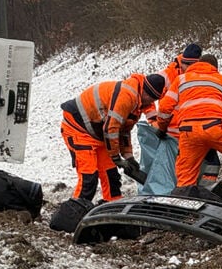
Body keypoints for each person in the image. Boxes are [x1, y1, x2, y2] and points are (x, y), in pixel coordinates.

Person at [155, 53, 222, 203]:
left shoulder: (181, 79)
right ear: (215, 68)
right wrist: (221, 134)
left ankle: (185, 208)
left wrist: (162, 128)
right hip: (216, 128)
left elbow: (164, 107)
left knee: (186, 177)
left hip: (188, 133)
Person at [60, 73, 166, 202]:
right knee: (89, 178)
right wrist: (116, 157)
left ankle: (112, 204)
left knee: (111, 175)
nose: (151, 102)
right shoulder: (127, 96)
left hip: (98, 134)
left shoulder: (138, 102)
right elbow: (111, 129)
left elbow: (124, 130)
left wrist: (128, 156)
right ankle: (73, 214)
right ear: (145, 91)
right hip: (78, 128)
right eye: (151, 98)